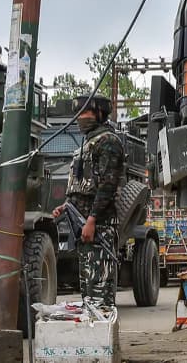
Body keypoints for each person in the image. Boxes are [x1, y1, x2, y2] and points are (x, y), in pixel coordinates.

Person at [51, 94, 125, 308]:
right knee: (89, 293)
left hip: (99, 228)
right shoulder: (86, 144)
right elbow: (82, 186)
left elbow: (107, 187)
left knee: (100, 292)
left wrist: (92, 220)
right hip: (84, 227)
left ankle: (106, 339)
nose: (80, 118)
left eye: (85, 113)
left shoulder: (109, 142)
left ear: (99, 114)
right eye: (79, 113)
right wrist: (66, 207)